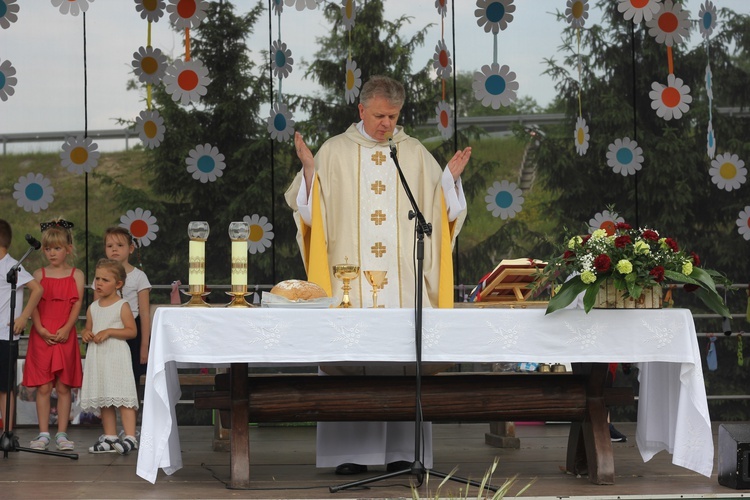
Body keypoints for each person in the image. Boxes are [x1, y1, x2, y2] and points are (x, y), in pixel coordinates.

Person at [285, 75, 471, 474]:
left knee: (403, 361)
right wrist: (308, 173)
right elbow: (308, 213)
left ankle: (405, 454)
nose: (386, 123)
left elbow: (439, 211)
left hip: (403, 281)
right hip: (348, 284)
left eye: (393, 116)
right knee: (353, 361)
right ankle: (349, 455)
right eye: (379, 115)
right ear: (361, 110)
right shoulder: (334, 152)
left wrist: (450, 183)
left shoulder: (413, 152)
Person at [23, 219, 84, 451]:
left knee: (64, 386)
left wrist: (67, 329)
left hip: (64, 333)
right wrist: (39, 329)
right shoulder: (38, 274)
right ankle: (43, 433)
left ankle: (61, 433)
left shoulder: (76, 274)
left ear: (68, 248)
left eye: (57, 248)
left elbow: (76, 305)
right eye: (48, 248)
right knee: (43, 387)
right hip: (43, 334)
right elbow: (34, 305)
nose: (51, 253)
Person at [80, 258, 139, 454]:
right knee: (105, 396)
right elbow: (89, 328)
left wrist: (110, 331)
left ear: (118, 284)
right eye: (97, 278)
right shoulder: (93, 307)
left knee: (122, 396)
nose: (99, 283)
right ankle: (111, 436)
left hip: (116, 357)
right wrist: (86, 334)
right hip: (99, 358)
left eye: (105, 280)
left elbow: (132, 331)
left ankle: (130, 436)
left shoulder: (122, 305)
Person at [93, 227, 151, 416]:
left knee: (131, 379)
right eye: (110, 246)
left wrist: (144, 346)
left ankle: (130, 427)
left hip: (131, 331)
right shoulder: (101, 277)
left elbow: (144, 313)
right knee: (108, 378)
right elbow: (96, 308)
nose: (114, 249)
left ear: (131, 249)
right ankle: (110, 427)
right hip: (107, 332)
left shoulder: (138, 276)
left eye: (120, 245)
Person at [0, 219, 44, 435]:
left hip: (5, 335)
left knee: (5, 387)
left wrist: (23, 317)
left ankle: (7, 434)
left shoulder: (11, 265)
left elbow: (37, 289)